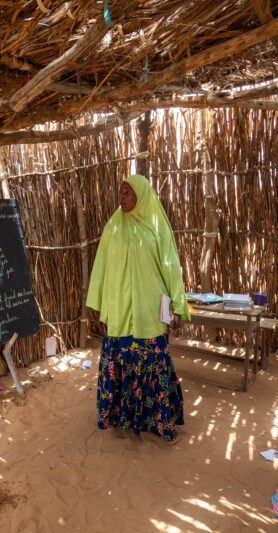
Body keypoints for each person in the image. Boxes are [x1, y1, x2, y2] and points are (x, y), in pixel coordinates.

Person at [86, 174, 190, 444]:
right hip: (119, 311)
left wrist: (177, 307)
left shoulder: (156, 225)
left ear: (141, 194)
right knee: (119, 365)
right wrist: (98, 306)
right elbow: (101, 268)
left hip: (150, 311)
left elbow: (170, 266)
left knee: (154, 368)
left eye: (127, 192)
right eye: (120, 192)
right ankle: (121, 418)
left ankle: (160, 424)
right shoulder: (113, 226)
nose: (122, 197)